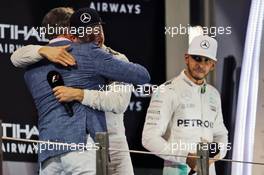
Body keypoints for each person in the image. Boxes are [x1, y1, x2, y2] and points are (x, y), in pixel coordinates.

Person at [11, 7, 150, 175]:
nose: (94, 35)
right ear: (72, 31)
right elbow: (142, 75)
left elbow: (118, 102)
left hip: (55, 150)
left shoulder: (31, 68)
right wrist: (43, 50)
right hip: (88, 143)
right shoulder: (86, 54)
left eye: (97, 29)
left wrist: (79, 94)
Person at [142, 35, 228, 175]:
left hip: (208, 171)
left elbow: (221, 134)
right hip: (177, 171)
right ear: (187, 58)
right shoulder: (167, 90)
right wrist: (186, 157)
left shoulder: (214, 95)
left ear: (213, 65)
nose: (201, 65)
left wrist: (217, 153)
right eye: (197, 58)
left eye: (207, 60)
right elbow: (149, 138)